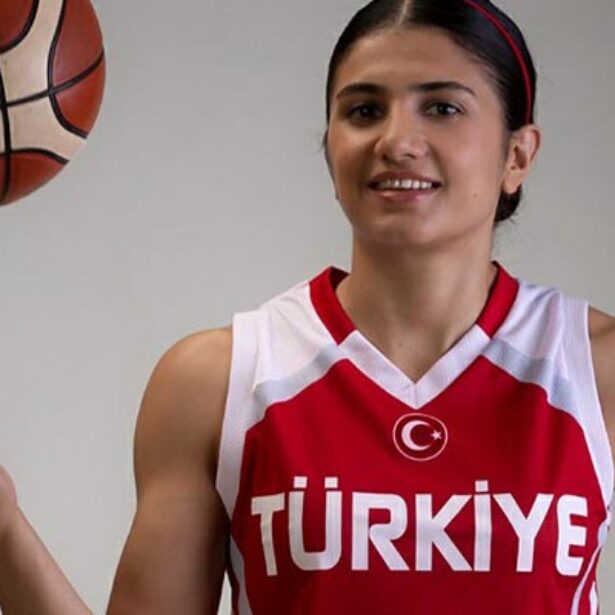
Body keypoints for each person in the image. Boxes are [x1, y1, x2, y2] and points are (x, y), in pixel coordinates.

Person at [1, 0, 615, 613]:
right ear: (330, 147)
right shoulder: (219, 382)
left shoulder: (595, 372)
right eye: (364, 110)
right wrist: (5, 532)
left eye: (443, 108)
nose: (397, 141)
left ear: (518, 156)